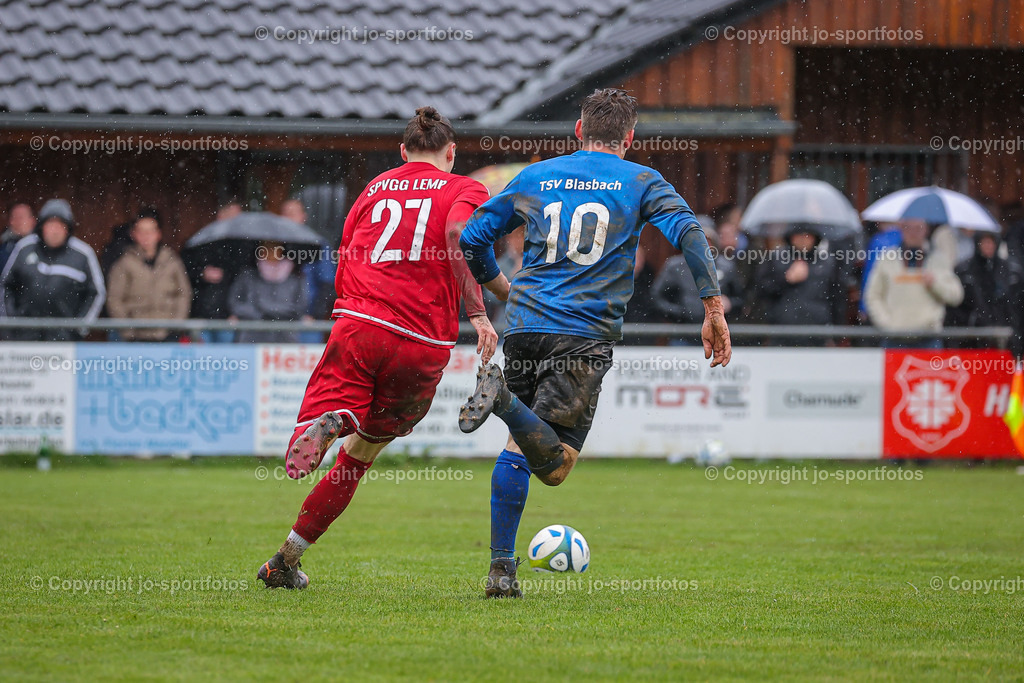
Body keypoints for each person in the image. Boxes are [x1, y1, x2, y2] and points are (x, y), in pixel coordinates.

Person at [457, 89, 732, 598]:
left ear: (579, 131)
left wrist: (501, 289)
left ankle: (500, 571)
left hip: (523, 326)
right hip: (582, 334)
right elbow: (690, 233)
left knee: (519, 448)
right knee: (557, 467)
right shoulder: (641, 180)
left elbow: (472, 237)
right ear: (629, 138)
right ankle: (503, 402)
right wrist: (713, 308)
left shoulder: (538, 175)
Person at [256, 107, 497, 589]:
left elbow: (347, 250)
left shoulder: (375, 187)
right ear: (451, 153)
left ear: (403, 152)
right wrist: (478, 312)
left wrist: (349, 309)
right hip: (423, 340)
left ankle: (332, 419)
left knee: (343, 419)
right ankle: (286, 560)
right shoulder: (465, 188)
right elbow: (457, 237)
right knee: (359, 457)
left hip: (362, 324)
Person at [0, 199, 105, 341]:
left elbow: (96, 292)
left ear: (68, 228)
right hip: (25, 338)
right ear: (41, 227)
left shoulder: (83, 254)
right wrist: (12, 323)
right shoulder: (24, 248)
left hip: (65, 339)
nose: (55, 231)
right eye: (50, 224)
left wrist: (79, 327)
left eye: (60, 225)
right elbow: (6, 286)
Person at [864, 220, 963, 347]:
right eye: (908, 228)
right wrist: (886, 323)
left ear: (926, 230)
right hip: (894, 340)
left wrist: (935, 283)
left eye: (918, 228)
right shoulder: (887, 258)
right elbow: (872, 295)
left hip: (928, 339)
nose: (913, 233)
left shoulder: (937, 259)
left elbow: (956, 296)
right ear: (901, 229)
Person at [106, 208, 192, 341]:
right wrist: (128, 331)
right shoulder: (124, 263)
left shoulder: (172, 261)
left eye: (150, 231)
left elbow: (184, 294)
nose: (146, 236)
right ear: (134, 234)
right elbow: (115, 298)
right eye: (141, 231)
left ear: (158, 234)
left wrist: (176, 325)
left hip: (167, 335)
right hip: (136, 337)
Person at [755, 225, 846, 345]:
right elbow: (761, 290)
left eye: (808, 235)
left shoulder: (827, 262)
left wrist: (836, 335)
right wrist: (786, 279)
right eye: (798, 235)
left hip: (818, 334)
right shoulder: (776, 258)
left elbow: (837, 299)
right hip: (781, 333)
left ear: (815, 238)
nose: (803, 239)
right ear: (790, 237)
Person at [947, 232, 1022, 347]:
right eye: (984, 242)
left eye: (991, 242)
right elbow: (956, 310)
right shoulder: (964, 271)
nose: (988, 246)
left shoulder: (1011, 272)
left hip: (1006, 337)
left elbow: (1016, 306)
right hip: (973, 339)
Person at [184, 200, 245, 343]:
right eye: (231, 216)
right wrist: (202, 273)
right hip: (201, 315)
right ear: (220, 216)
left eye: (238, 218)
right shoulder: (200, 242)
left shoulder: (244, 248)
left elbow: (245, 284)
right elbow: (184, 272)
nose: (235, 222)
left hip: (228, 319)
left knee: (226, 360)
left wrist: (236, 312)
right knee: (201, 361)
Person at [227, 241, 308, 343]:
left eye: (275, 247)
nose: (271, 251)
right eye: (267, 248)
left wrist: (267, 310)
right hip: (251, 336)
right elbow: (235, 303)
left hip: (285, 337)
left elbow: (300, 306)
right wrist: (257, 314)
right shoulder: (247, 275)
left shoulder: (296, 277)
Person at [280, 198, 333, 343]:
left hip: (306, 321)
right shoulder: (273, 246)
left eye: (293, 213)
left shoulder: (317, 244)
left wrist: (315, 315)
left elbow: (326, 283)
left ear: (303, 216)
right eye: (285, 213)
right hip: (278, 320)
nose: (288, 218)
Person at [0, 201, 35, 272]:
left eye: (21, 217)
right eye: (14, 216)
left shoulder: (44, 246)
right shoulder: (4, 249)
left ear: (32, 220)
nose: (17, 220)